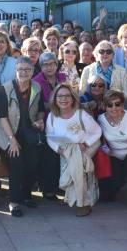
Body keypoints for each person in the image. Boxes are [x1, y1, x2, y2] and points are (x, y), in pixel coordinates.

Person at [0, 57, 45, 217]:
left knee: (32, 163)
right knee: (16, 164)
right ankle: (14, 201)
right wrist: (12, 140)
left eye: (27, 69)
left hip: (29, 132)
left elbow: (41, 109)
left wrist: (40, 121)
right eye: (20, 69)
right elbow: (2, 117)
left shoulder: (37, 87)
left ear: (32, 71)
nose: (23, 72)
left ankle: (26, 195)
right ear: (16, 71)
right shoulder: (6, 88)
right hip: (8, 132)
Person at [46, 83, 102, 217]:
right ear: (55, 98)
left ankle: (81, 202)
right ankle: (81, 200)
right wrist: (58, 149)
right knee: (76, 165)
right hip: (64, 148)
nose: (63, 99)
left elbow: (97, 132)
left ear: (73, 98)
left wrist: (86, 144)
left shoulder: (81, 115)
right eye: (60, 96)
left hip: (86, 146)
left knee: (77, 164)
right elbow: (49, 137)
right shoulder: (52, 116)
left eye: (67, 96)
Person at [98, 90, 127, 210]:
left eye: (117, 104)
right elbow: (100, 138)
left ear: (122, 105)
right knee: (116, 179)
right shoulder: (101, 119)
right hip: (113, 153)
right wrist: (105, 148)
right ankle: (109, 193)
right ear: (105, 106)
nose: (114, 108)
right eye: (110, 105)